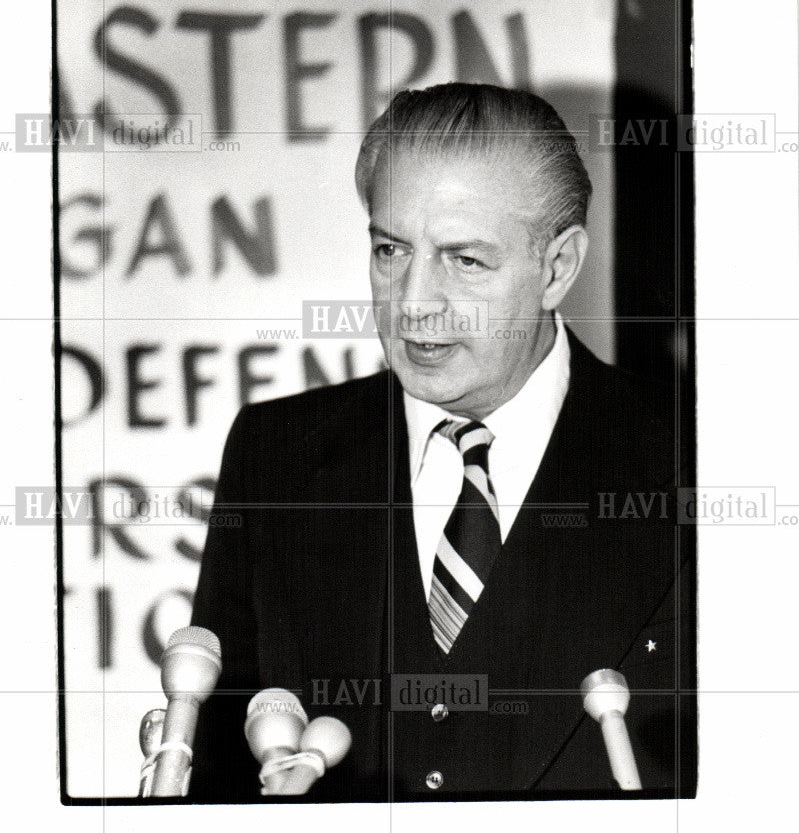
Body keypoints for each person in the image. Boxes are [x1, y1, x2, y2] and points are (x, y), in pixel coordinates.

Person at [190, 83, 696, 802]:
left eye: (464, 260)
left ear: (557, 268)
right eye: (391, 249)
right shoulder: (275, 455)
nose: (413, 302)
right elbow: (213, 775)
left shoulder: (697, 457)